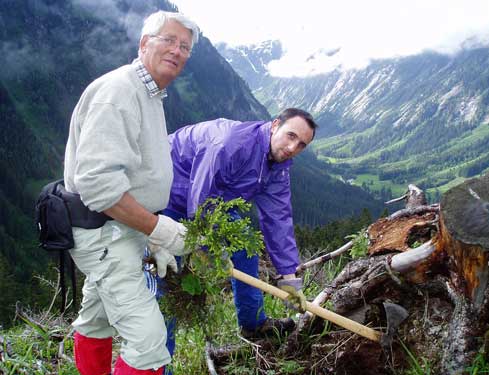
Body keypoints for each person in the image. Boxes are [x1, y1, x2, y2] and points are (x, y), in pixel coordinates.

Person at [63, 11, 199, 375]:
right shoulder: (120, 92)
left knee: (96, 318)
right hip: (104, 231)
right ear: (143, 43)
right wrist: (158, 229)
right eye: (168, 40)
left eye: (184, 46)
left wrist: (149, 237)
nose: (177, 51)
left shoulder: (148, 93)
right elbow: (98, 185)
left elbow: (134, 176)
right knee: (149, 342)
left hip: (118, 229)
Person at [146, 108, 317, 347]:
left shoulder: (278, 165)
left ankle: (253, 324)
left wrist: (289, 278)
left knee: (246, 246)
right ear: (275, 125)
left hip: (214, 203)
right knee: (169, 278)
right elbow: (200, 200)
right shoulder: (230, 144)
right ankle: (160, 364)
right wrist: (209, 251)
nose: (292, 148)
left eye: (301, 145)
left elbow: (278, 220)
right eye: (291, 135)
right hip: (169, 196)